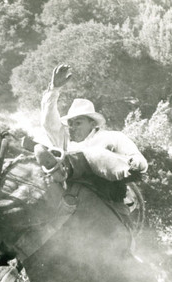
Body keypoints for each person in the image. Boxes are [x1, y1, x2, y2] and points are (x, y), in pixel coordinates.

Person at [36, 63, 148, 225]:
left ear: (92, 124)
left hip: (106, 199)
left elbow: (139, 160)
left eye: (78, 123)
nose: (73, 127)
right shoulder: (64, 140)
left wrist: (134, 164)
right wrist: (54, 90)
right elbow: (48, 122)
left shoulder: (112, 138)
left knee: (95, 156)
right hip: (68, 196)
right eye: (71, 123)